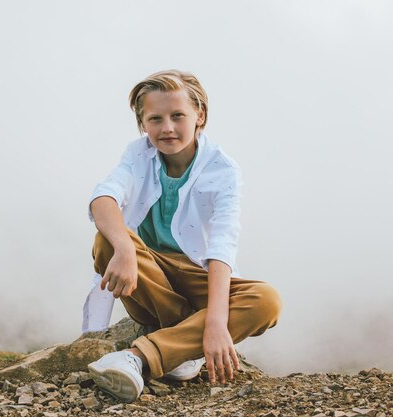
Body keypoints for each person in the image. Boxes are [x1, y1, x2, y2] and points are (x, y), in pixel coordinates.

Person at [85, 70, 282, 403]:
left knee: (267, 301)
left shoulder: (222, 169)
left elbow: (222, 244)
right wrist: (124, 248)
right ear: (142, 124)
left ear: (199, 115)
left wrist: (217, 322)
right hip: (149, 279)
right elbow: (104, 197)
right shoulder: (137, 154)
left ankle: (140, 356)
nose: (167, 128)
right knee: (106, 240)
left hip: (196, 277)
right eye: (155, 118)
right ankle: (183, 339)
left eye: (178, 116)